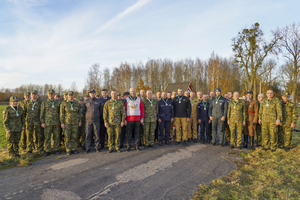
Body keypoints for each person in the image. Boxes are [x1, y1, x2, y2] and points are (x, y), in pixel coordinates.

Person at [40, 89, 61, 156]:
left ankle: (56, 149)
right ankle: (47, 150)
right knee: (47, 137)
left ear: (54, 95)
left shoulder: (58, 102)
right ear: (48, 94)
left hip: (56, 123)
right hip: (47, 123)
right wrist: (42, 122)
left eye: (52, 94)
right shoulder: (44, 103)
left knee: (56, 137)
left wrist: (61, 122)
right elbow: (42, 114)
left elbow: (60, 113)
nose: (51, 95)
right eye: (49, 94)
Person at [60, 91, 81, 155]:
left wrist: (79, 121)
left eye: (72, 95)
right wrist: (62, 122)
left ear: (73, 96)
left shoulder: (77, 103)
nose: (71, 96)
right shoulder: (64, 103)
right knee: (67, 136)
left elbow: (79, 113)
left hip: (75, 123)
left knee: (74, 136)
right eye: (69, 95)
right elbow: (62, 114)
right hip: (67, 123)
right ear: (67, 96)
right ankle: (68, 149)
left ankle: (73, 149)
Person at [82, 89, 103, 153]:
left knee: (96, 134)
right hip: (88, 121)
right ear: (89, 94)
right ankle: (88, 147)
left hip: (96, 121)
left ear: (95, 93)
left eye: (93, 93)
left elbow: (101, 111)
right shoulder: (86, 102)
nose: (92, 94)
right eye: (91, 93)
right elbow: (84, 111)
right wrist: (88, 116)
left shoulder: (99, 101)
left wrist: (97, 116)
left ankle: (97, 147)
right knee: (88, 134)